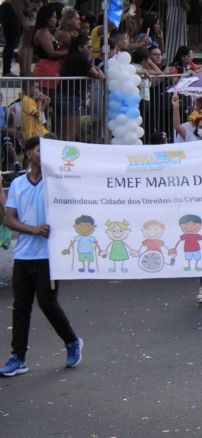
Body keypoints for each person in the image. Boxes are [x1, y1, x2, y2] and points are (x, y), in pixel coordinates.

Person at [0, 137, 83, 377]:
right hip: (24, 255)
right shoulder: (17, 184)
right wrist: (34, 229)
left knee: (47, 302)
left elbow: (72, 207)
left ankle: (71, 341)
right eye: (39, 149)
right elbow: (9, 219)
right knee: (21, 307)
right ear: (28, 154)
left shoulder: (56, 183)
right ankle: (18, 357)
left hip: (50, 256)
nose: (43, 154)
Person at [0, 0, 27, 75]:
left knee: (13, 41)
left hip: (12, 10)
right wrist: (22, 19)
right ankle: (6, 70)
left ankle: (7, 69)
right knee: (11, 42)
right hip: (11, 11)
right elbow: (14, 1)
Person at [163, 0, 188, 67]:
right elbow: (183, 2)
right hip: (179, 12)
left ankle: (168, 60)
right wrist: (188, 7)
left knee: (170, 38)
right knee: (179, 37)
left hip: (170, 12)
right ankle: (181, 63)